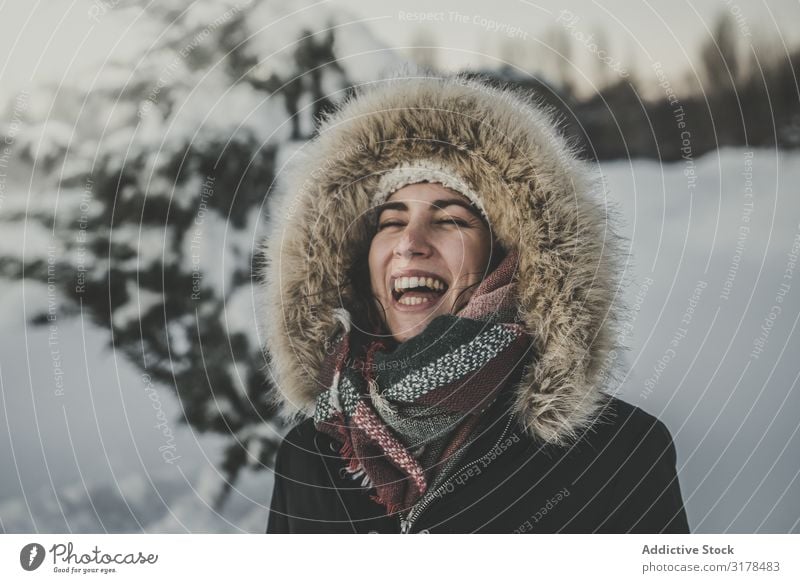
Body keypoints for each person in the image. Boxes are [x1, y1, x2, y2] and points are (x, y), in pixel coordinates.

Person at [259, 69, 690, 533]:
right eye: (390, 221)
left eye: (451, 220)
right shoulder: (309, 455)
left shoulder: (619, 454)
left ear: (509, 257)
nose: (410, 243)